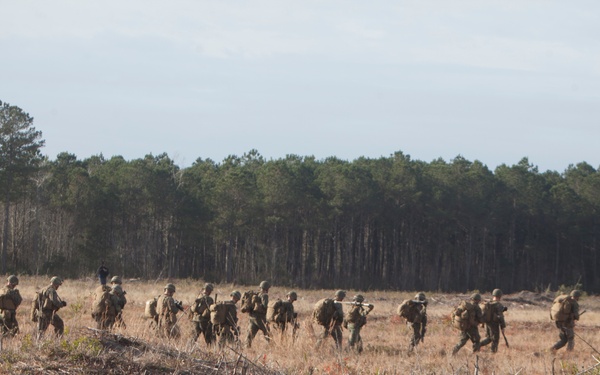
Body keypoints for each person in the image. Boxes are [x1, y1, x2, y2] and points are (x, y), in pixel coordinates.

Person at [480, 289, 507, 353]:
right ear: (500, 296)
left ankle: (478, 345)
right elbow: (501, 317)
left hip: (487, 323)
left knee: (489, 338)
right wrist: (503, 326)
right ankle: (493, 353)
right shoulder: (498, 304)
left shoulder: (489, 303)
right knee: (495, 339)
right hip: (494, 325)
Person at [246, 280, 271, 348]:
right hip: (260, 318)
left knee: (250, 334)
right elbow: (265, 305)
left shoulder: (256, 294)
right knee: (267, 332)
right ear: (266, 288)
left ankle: (247, 347)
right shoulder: (264, 295)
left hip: (252, 317)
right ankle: (271, 346)